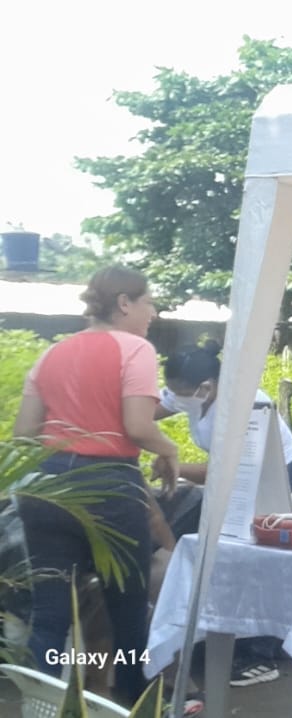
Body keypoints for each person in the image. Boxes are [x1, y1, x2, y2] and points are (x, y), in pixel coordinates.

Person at [13, 266, 178, 706]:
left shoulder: (52, 353)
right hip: (108, 487)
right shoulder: (136, 349)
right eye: (148, 302)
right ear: (124, 303)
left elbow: (24, 433)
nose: (153, 312)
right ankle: (133, 706)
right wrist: (170, 448)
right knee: (127, 612)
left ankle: (40, 709)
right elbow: (138, 427)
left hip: (45, 488)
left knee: (50, 613)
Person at [156, 340, 292, 687]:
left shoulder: (246, 404)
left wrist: (175, 465)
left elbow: (229, 470)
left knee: (257, 558)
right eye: (172, 390)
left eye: (181, 392)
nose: (174, 398)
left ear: (206, 387)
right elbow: (145, 414)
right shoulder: (190, 391)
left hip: (278, 477)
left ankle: (260, 650)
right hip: (238, 482)